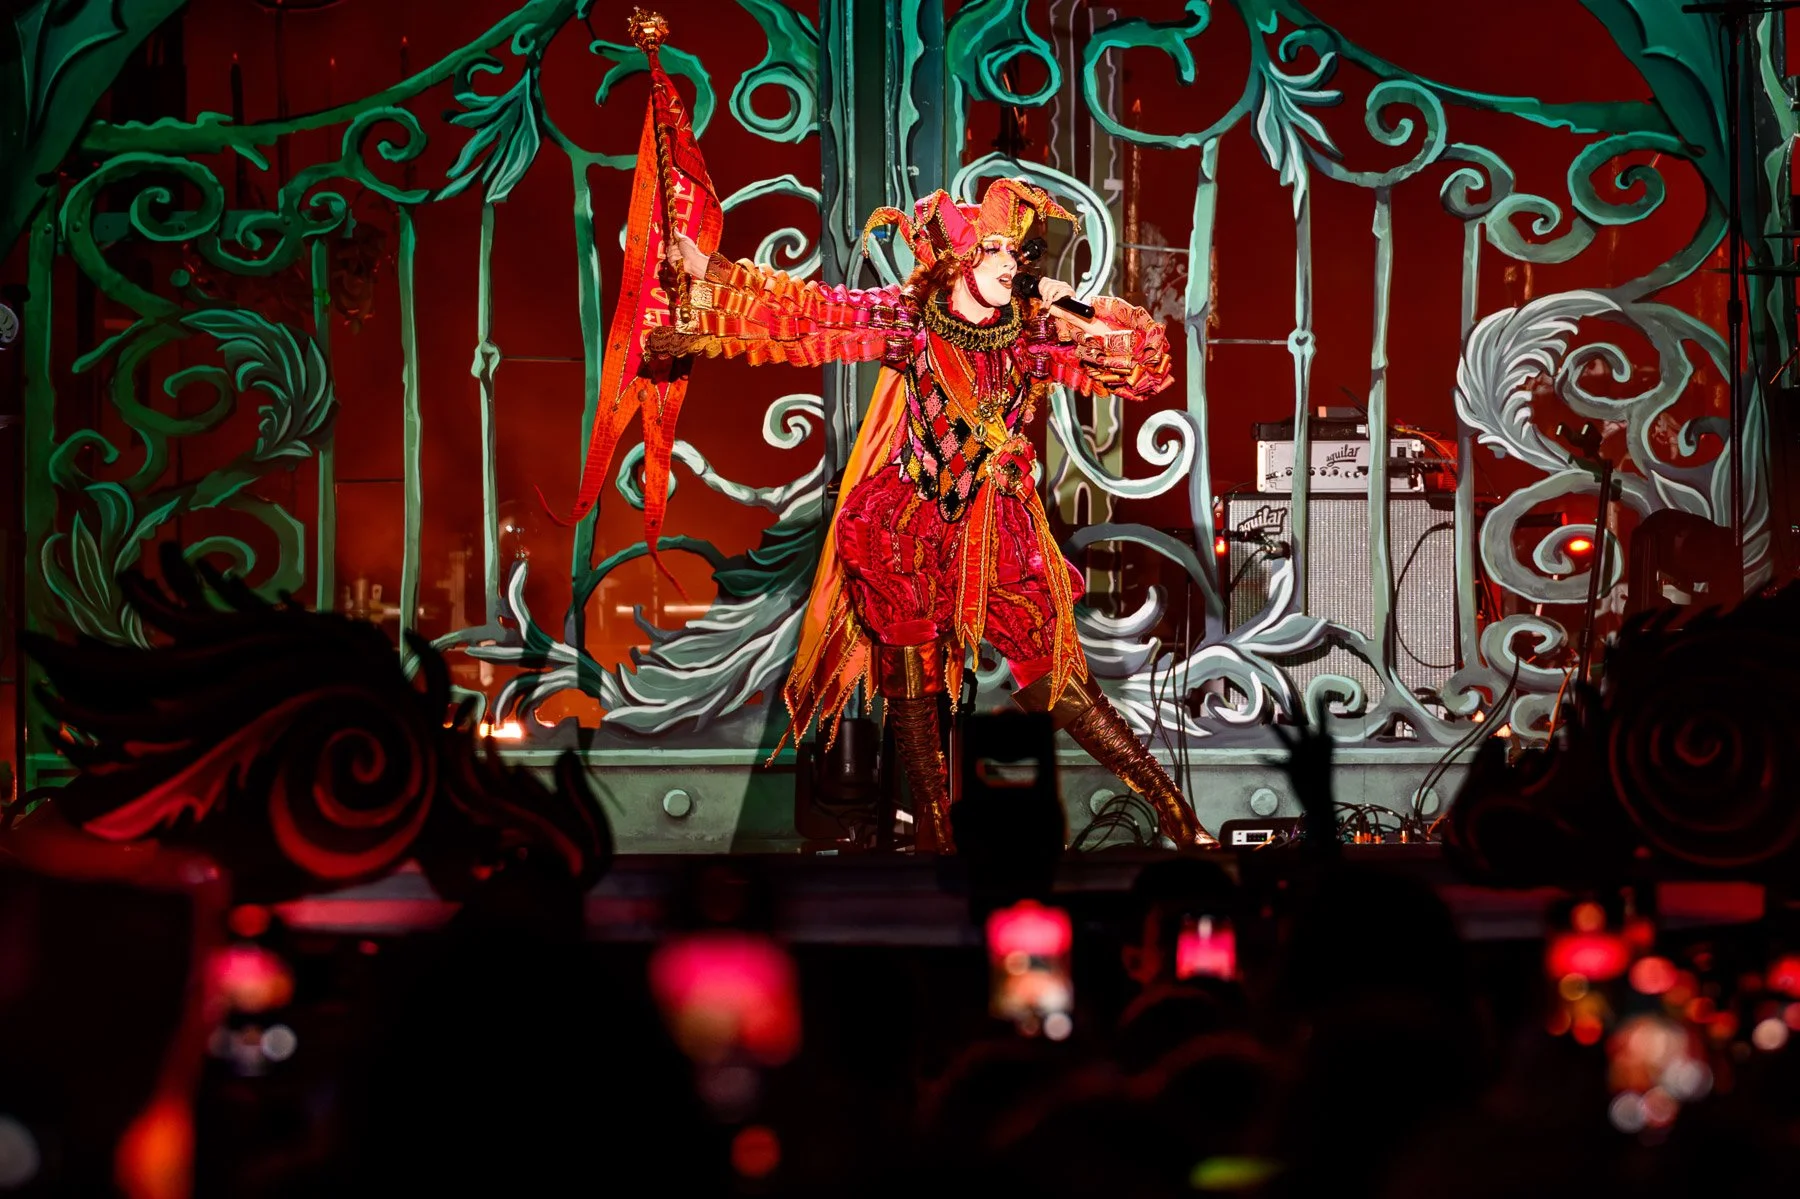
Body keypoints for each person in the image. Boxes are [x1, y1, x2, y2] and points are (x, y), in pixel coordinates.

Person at [660, 179, 1210, 851]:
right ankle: (933, 825)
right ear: (957, 262)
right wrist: (706, 271)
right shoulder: (906, 319)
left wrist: (1080, 308)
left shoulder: (1033, 332)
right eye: (995, 252)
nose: (1012, 265)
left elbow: (1144, 368)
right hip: (911, 518)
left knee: (1054, 667)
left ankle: (1168, 802)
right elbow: (805, 314)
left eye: (1017, 253)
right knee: (910, 666)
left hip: (995, 528)